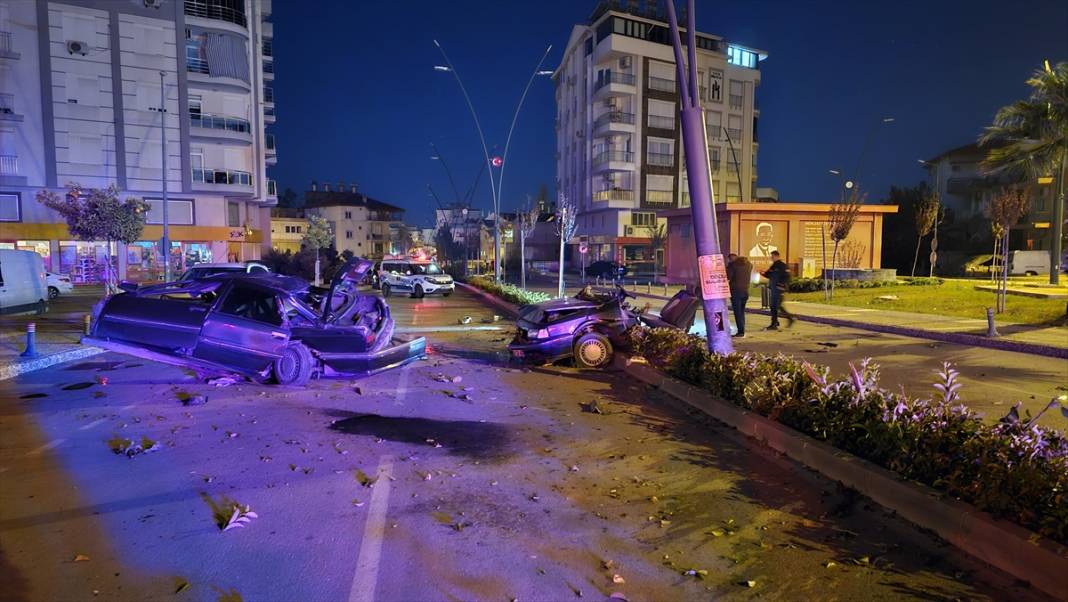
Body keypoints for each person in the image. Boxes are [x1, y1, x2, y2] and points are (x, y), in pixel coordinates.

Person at [760, 250, 795, 330]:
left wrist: (781, 285)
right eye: (771, 256)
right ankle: (777, 322)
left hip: (779, 289)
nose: (771, 258)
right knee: (775, 306)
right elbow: (769, 274)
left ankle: (779, 322)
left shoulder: (782, 266)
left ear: (777, 256)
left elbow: (787, 277)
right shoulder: (774, 266)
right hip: (773, 289)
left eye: (773, 256)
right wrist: (763, 273)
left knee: (775, 306)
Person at [725, 253, 752, 337]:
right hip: (745, 291)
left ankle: (741, 332)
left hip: (736, 291)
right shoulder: (748, 264)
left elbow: (728, 276)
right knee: (741, 312)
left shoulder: (733, 265)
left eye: (729, 259)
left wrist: (728, 267)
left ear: (731, 259)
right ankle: (742, 329)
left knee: (737, 312)